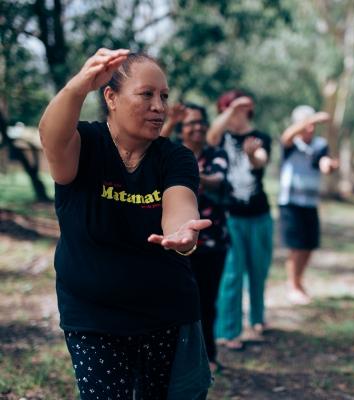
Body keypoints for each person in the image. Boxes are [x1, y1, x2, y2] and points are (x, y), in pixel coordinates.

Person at [38, 48, 213, 400]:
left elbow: (179, 205)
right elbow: (51, 136)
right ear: (111, 97)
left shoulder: (175, 156)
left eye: (163, 96)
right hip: (92, 316)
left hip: (166, 314)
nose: (159, 106)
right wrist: (77, 87)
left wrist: (182, 235)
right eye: (146, 94)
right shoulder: (84, 144)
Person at [161, 102, 229, 372]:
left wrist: (187, 172)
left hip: (212, 242)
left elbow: (218, 180)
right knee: (175, 302)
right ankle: (176, 358)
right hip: (174, 241)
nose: (197, 127)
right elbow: (150, 152)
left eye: (201, 121)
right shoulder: (170, 150)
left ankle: (208, 356)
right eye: (190, 123)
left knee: (206, 302)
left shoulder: (216, 153)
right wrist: (169, 123)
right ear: (181, 128)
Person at [207, 90, 274, 350]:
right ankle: (228, 331)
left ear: (249, 110)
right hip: (231, 217)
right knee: (232, 274)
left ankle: (258, 318)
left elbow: (260, 162)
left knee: (259, 270)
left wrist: (251, 155)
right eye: (226, 111)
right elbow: (212, 135)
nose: (232, 115)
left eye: (238, 110)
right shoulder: (221, 136)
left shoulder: (261, 137)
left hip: (259, 216)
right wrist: (230, 109)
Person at [278, 105, 339, 305]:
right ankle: (293, 285)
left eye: (313, 125)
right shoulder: (291, 143)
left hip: (310, 202)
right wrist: (313, 118)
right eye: (307, 124)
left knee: (308, 246)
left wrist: (329, 166)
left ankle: (299, 281)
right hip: (290, 202)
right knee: (295, 247)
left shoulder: (320, 144)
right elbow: (286, 136)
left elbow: (323, 163)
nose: (311, 129)